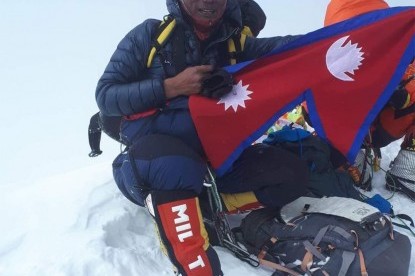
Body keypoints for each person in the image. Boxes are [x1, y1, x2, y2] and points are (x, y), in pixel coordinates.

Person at [95, 0, 308, 275]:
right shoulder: (149, 36)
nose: (208, 1)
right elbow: (106, 96)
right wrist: (169, 87)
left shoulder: (237, 45)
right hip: (149, 166)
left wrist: (352, 37)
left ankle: (202, 209)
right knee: (175, 165)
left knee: (292, 174)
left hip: (213, 162)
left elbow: (294, 50)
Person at [324, 0, 415, 200]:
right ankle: (346, 159)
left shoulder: (402, 50)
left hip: (381, 125)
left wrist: (404, 93)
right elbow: (310, 100)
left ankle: (407, 167)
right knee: (327, 102)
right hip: (346, 130)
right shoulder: (325, 57)